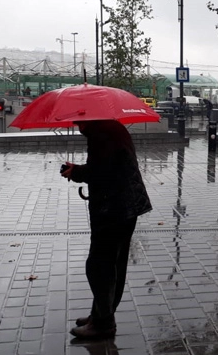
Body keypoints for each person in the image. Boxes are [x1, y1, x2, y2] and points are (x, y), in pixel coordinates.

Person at [62, 119, 152, 339]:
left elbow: (102, 171)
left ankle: (103, 323)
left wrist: (76, 172)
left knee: (99, 265)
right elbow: (107, 166)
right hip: (122, 205)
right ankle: (100, 314)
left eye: (78, 121)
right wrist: (79, 170)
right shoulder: (107, 128)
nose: (76, 124)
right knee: (111, 264)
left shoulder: (102, 133)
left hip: (115, 208)